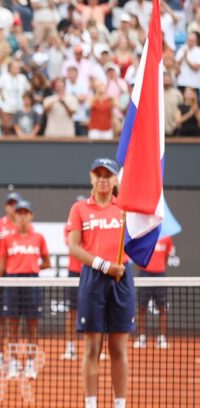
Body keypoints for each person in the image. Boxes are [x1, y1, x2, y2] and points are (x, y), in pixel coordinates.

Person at [67, 158, 134, 408]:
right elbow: (74, 247)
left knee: (118, 348)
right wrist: (104, 265)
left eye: (108, 175)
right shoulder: (80, 209)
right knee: (92, 346)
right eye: (99, 174)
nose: (103, 179)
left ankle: (120, 404)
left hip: (122, 279)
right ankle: (91, 404)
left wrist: (119, 266)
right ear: (91, 177)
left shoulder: (126, 209)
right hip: (93, 279)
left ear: (116, 179)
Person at [0, 199, 50, 380]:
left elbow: (47, 263)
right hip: (12, 283)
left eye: (26, 213)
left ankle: (30, 364)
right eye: (19, 213)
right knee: (13, 326)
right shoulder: (8, 239)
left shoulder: (39, 238)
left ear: (31, 216)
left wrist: (33, 268)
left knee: (32, 326)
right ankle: (13, 364)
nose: (23, 216)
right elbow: (2, 264)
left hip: (32, 282)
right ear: (15, 216)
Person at [0, 191, 22, 370]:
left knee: (14, 320)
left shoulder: (22, 226)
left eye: (16, 204)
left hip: (16, 275)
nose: (13, 207)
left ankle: (14, 359)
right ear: (5, 206)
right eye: (10, 204)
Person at [133, 235, 174, 350]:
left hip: (160, 275)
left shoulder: (167, 237)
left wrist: (160, 267)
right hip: (144, 274)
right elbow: (138, 254)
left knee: (162, 308)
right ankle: (141, 337)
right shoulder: (144, 235)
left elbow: (166, 256)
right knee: (141, 307)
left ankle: (161, 338)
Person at [61, 194, 88, 361]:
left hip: (89, 272)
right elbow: (73, 246)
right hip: (73, 273)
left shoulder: (93, 226)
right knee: (71, 312)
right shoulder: (69, 227)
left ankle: (91, 347)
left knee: (92, 312)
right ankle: (70, 347)